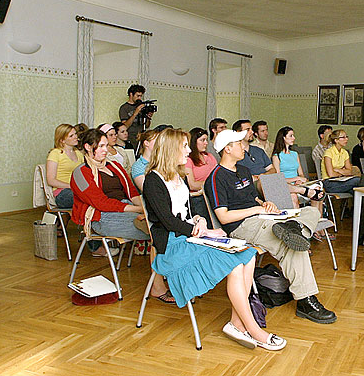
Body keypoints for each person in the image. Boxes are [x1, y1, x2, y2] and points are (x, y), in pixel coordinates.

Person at [143, 128, 285, 350]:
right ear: (171, 149)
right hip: (173, 243)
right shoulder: (153, 180)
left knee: (247, 255)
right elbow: (169, 222)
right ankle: (252, 329)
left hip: (190, 235)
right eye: (184, 146)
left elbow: (187, 214)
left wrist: (199, 220)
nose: (189, 150)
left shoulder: (179, 177)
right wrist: (207, 231)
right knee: (237, 264)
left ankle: (236, 324)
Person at [205, 129, 337, 324]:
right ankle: (305, 300)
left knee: (311, 212)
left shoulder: (243, 171)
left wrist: (264, 204)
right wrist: (256, 211)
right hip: (242, 225)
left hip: (262, 217)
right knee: (291, 246)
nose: (244, 147)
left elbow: (253, 197)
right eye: (239, 144)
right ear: (227, 149)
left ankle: (295, 229)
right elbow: (223, 217)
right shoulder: (216, 178)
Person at [70, 129, 149, 258]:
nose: (106, 150)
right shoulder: (81, 172)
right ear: (88, 147)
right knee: (154, 229)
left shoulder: (115, 166)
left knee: (156, 224)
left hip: (126, 208)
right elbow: (100, 203)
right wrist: (139, 209)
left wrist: (145, 207)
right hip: (102, 216)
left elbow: (132, 192)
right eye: (101, 146)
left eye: (106, 145)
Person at [271, 127, 325, 218]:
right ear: (283, 138)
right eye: (291, 136)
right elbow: (278, 179)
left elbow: (301, 174)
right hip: (287, 186)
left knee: (318, 190)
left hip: (298, 184)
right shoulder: (276, 156)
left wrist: (300, 179)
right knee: (293, 196)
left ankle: (317, 225)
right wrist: (296, 178)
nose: (294, 138)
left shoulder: (294, 154)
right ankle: (299, 224)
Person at [184, 127, 219, 223]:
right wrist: (210, 183)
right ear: (194, 142)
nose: (206, 143)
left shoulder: (210, 157)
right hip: (198, 196)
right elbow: (192, 184)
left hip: (212, 192)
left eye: (206, 140)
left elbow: (218, 176)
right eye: (202, 140)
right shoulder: (188, 160)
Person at [46, 124, 83, 209]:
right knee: (87, 198)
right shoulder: (55, 153)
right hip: (62, 193)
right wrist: (71, 186)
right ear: (62, 140)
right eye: (71, 136)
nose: (75, 137)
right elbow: (51, 180)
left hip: (76, 190)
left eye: (75, 134)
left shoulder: (78, 153)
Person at [321, 130, 361, 194]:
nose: (346, 139)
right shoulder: (328, 152)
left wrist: (338, 170)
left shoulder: (345, 152)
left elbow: (349, 171)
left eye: (346, 137)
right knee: (357, 180)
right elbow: (331, 174)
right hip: (329, 183)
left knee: (357, 191)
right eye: (343, 137)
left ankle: (360, 204)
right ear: (336, 140)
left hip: (342, 180)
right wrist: (343, 172)